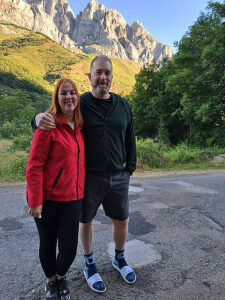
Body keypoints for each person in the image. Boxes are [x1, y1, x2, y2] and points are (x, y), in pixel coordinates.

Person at [33, 55, 137, 293]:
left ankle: (119, 258)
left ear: (112, 77)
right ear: (90, 77)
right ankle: (89, 264)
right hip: (89, 177)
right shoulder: (82, 103)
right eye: (98, 72)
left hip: (119, 175)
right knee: (85, 220)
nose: (103, 77)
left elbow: (130, 136)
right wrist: (36, 119)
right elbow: (59, 113)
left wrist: (129, 167)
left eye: (107, 73)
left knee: (122, 219)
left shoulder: (123, 105)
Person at [26, 78, 85, 300]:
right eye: (64, 93)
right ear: (57, 98)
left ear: (77, 97)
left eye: (72, 93)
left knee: (69, 248)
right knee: (48, 244)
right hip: (47, 199)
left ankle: (61, 276)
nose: (69, 97)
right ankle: (51, 282)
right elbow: (34, 165)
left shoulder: (79, 127)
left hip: (73, 197)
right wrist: (34, 200)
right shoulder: (48, 125)